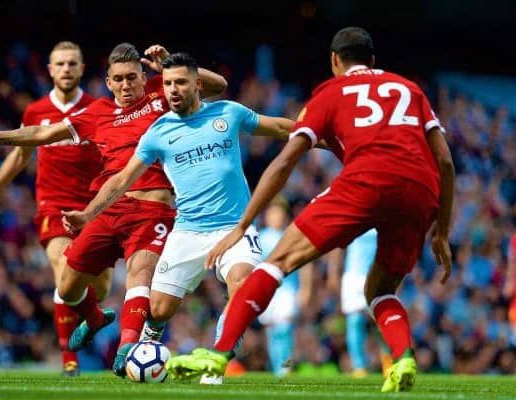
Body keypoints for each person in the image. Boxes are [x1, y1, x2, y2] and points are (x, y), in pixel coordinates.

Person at [165, 26, 455, 393]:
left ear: (335, 60)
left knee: (277, 262)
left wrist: (243, 225)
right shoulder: (410, 90)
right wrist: (442, 232)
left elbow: (285, 163)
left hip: (365, 181)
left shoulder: (329, 92)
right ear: (373, 61)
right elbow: (444, 161)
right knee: (380, 290)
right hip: (420, 189)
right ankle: (403, 358)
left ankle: (218, 354)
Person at [0, 43, 228, 377]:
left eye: (132, 78)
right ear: (109, 83)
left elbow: (217, 86)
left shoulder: (161, 95)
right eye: (119, 79)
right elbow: (42, 133)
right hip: (107, 210)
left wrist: (168, 65)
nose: (126, 85)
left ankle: (127, 348)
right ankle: (95, 318)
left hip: (152, 210)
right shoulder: (96, 113)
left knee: (140, 273)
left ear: (144, 78)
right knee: (67, 286)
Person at [60, 52, 294, 383]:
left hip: (233, 229)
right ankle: (149, 342)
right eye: (167, 83)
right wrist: (88, 214)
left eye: (180, 82)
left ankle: (216, 361)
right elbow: (121, 180)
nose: (172, 90)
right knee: (158, 310)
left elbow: (279, 126)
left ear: (198, 85)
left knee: (241, 284)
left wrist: (315, 135)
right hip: (186, 232)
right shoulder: (158, 132)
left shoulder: (228, 113)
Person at [0, 41, 106, 376]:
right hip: (52, 204)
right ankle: (69, 361)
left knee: (98, 288)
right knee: (63, 269)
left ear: (82, 68)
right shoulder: (36, 111)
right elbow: (20, 153)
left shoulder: (98, 108)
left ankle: (94, 314)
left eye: (73, 63)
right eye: (60, 64)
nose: (66, 69)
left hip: (93, 206)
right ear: (50, 70)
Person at [256, 200, 312, 377]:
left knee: (285, 328)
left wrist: (306, 289)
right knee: (272, 330)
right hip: (267, 290)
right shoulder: (260, 237)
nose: (276, 217)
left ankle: (286, 367)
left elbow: (304, 264)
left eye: (279, 213)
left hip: (287, 289)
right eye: (272, 213)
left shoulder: (291, 235)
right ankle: (277, 368)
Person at [328, 229, 393, 377]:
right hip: (354, 276)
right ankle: (359, 367)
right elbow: (338, 247)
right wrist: (333, 273)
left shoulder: (384, 215)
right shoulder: (357, 215)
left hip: (378, 276)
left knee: (383, 322)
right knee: (355, 321)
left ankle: (389, 361)